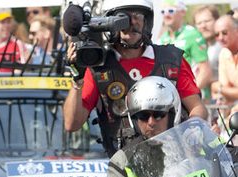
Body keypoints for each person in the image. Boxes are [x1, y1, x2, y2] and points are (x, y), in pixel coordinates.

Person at [64, 0, 207, 157]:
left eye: (137, 17)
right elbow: (72, 123)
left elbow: (197, 107)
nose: (131, 23)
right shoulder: (98, 68)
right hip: (125, 169)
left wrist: (192, 132)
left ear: (147, 21)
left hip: (175, 161)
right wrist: (77, 79)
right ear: (109, 23)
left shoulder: (171, 60)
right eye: (122, 18)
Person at [158, 0, 212, 95]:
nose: (166, 15)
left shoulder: (193, 34)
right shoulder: (162, 39)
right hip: (172, 96)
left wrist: (190, 95)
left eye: (170, 11)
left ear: (182, 12)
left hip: (193, 96)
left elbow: (205, 71)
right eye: (163, 12)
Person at [0, 10, 25, 75]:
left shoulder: (17, 44)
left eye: (8, 22)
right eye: (2, 22)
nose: (6, 25)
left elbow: (21, 69)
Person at [193, 5, 221, 85]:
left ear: (217, 20)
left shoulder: (226, 46)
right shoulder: (195, 48)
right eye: (199, 23)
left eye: (207, 21)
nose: (203, 26)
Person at [214, 15, 238, 110]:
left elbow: (222, 88)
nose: (220, 38)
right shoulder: (224, 53)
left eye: (224, 33)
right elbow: (226, 90)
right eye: (216, 34)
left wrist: (219, 89)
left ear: (236, 31)